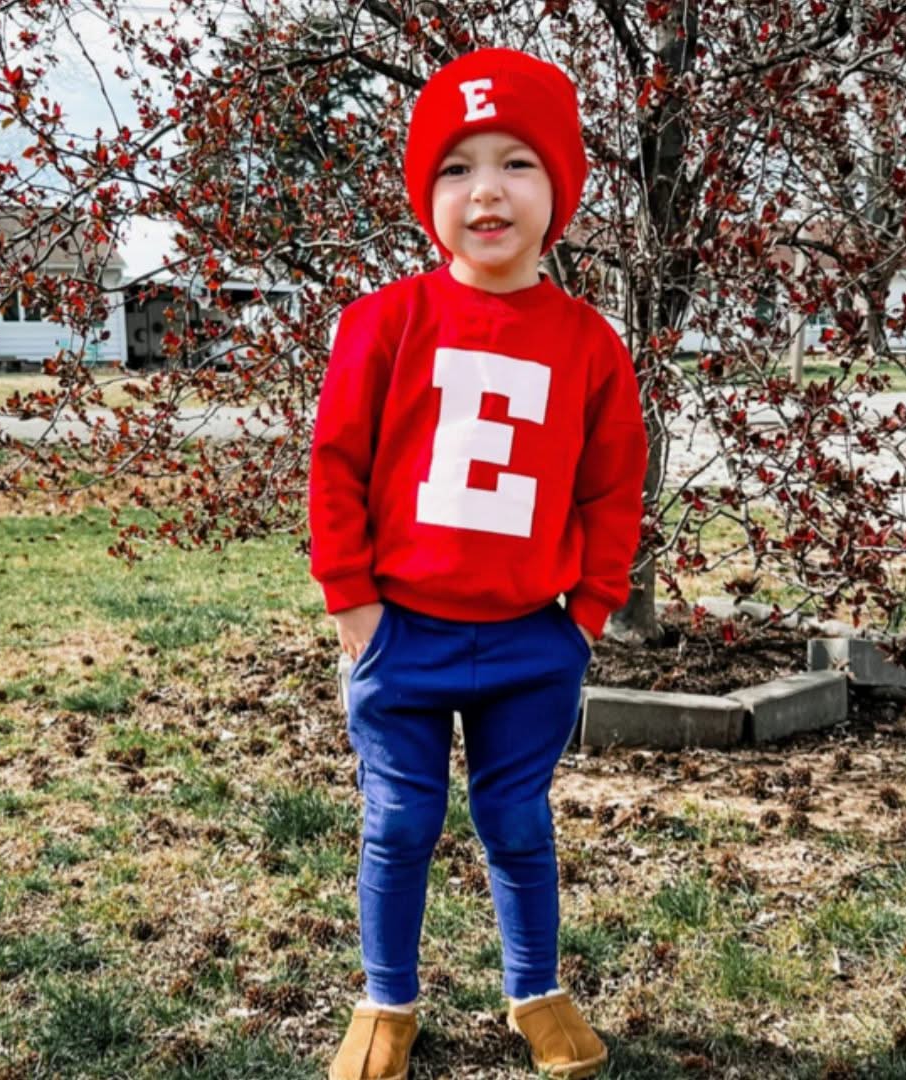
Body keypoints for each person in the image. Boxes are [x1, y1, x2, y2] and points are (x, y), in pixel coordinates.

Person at [308, 45, 648, 1080]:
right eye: (457, 168)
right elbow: (337, 463)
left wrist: (586, 612)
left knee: (516, 820)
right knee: (400, 821)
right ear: (427, 195)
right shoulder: (383, 323)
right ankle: (387, 1000)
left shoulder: (590, 344)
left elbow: (611, 488)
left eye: (517, 163)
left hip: (529, 640)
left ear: (560, 189)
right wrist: (353, 603)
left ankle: (534, 989)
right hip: (401, 632)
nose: (486, 191)